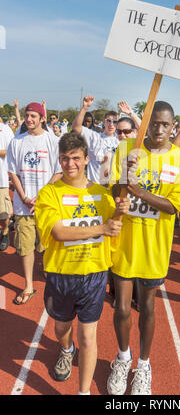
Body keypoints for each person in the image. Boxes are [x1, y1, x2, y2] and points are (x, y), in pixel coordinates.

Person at [107, 101, 180, 395]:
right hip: (124, 244)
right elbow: (111, 191)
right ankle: (122, 358)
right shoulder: (126, 148)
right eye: (154, 123)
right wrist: (122, 178)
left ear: (174, 126)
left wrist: (141, 191)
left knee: (147, 307)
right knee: (121, 308)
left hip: (155, 247)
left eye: (165, 125)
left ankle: (143, 365)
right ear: (147, 121)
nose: (159, 129)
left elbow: (174, 207)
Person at [34, 132, 129, 395]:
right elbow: (59, 232)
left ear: (87, 159)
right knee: (62, 327)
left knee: (88, 337)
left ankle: (83, 392)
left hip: (94, 275)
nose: (70, 164)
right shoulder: (49, 194)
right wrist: (103, 227)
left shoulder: (102, 194)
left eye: (75, 158)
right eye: (64, 158)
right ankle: (66, 349)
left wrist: (121, 209)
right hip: (60, 274)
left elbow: (116, 228)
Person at [6, 102, 62, 304]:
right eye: (27, 115)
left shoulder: (53, 141)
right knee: (25, 245)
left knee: (48, 242)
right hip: (24, 205)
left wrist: (42, 196)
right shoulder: (17, 142)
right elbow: (12, 171)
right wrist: (23, 196)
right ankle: (28, 285)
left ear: (42, 118)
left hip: (47, 204)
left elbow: (58, 171)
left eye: (33, 116)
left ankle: (49, 270)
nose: (29, 119)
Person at [0, 120, 14, 251]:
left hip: (1, 179)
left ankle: (4, 232)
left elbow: (11, 151)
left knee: (2, 214)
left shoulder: (5, 130)